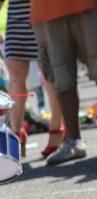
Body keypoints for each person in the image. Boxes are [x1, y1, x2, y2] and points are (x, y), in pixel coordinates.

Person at [0, 0, 64, 158]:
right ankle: (16, 132)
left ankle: (56, 128)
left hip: (43, 15)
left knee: (48, 73)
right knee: (15, 74)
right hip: (16, 19)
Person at [30, 0, 97, 164]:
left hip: (86, 5)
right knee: (60, 74)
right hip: (47, 9)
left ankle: (73, 141)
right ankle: (73, 141)